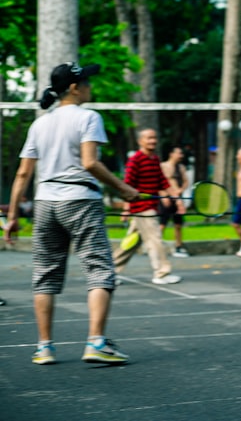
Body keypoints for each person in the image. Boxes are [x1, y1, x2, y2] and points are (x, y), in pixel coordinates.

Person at [2, 61, 141, 365]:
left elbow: (23, 174)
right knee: (100, 270)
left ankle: (44, 347)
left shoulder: (39, 124)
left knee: (45, 276)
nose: (91, 87)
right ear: (75, 88)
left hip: (45, 203)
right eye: (87, 83)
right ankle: (96, 343)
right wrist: (124, 189)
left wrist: (12, 217)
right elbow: (90, 163)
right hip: (80, 200)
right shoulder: (89, 117)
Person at [112, 129, 184, 284]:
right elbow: (127, 186)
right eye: (149, 138)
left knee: (131, 242)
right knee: (155, 240)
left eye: (154, 137)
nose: (153, 140)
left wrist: (176, 198)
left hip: (150, 206)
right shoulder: (135, 160)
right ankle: (161, 273)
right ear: (140, 141)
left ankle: (108, 273)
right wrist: (126, 208)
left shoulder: (154, 159)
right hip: (142, 208)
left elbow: (162, 182)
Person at [159, 146, 191, 257]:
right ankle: (156, 246)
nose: (181, 156)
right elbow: (158, 182)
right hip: (166, 198)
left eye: (181, 153)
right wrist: (163, 196)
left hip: (178, 199)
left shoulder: (180, 167)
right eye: (179, 153)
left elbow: (186, 181)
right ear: (171, 154)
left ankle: (178, 246)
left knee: (178, 224)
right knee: (162, 224)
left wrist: (180, 190)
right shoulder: (163, 166)